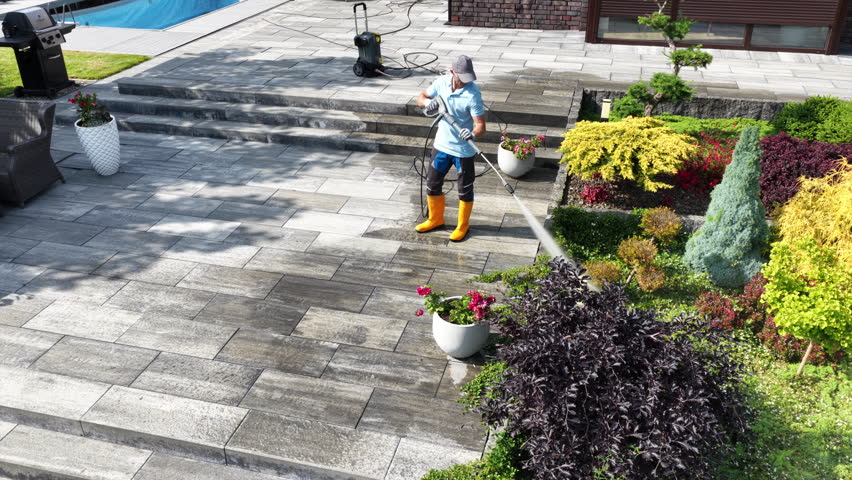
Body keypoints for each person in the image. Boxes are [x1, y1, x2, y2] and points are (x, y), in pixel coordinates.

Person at [414, 55, 486, 241]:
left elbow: (480, 126)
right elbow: (421, 97)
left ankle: (463, 226)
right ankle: (435, 219)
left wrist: (472, 134)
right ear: (452, 72)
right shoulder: (441, 82)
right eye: (462, 77)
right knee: (432, 184)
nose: (465, 81)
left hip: (463, 151)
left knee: (465, 189)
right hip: (441, 146)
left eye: (468, 77)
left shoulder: (473, 94)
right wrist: (427, 103)